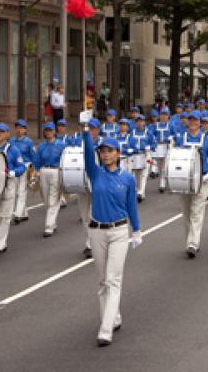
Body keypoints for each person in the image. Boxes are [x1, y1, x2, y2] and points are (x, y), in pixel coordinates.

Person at [80, 117, 141, 348]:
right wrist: (86, 131)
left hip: (119, 232)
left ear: (118, 153)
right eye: (102, 151)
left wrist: (136, 230)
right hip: (96, 232)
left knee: (113, 280)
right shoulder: (95, 174)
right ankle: (113, 316)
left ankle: (105, 329)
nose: (105, 155)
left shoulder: (127, 178)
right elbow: (87, 153)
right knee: (102, 281)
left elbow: (131, 206)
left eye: (109, 151)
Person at [173, 111, 208, 258]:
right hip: (185, 180)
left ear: (200, 122)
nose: (192, 123)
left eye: (195, 120)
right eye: (190, 120)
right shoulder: (180, 138)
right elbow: (175, 157)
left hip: (202, 180)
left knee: (196, 212)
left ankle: (193, 243)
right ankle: (189, 241)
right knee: (186, 212)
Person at [0, 123, 26, 258]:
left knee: (4, 216)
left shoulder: (13, 150)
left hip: (7, 184)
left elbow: (22, 167)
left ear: (7, 134)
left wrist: (13, 172)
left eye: (2, 132)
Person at [33, 122, 67, 237]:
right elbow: (37, 160)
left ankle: (48, 227)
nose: (48, 132)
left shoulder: (61, 145)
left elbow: (65, 160)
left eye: (50, 130)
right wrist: (35, 172)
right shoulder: (41, 146)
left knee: (53, 198)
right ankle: (53, 223)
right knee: (46, 198)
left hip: (57, 171)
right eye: (46, 130)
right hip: (44, 171)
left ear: (54, 132)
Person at [76, 118, 103, 258]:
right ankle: (89, 242)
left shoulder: (103, 144)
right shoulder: (78, 142)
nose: (91, 131)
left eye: (93, 128)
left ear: (98, 130)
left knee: (95, 214)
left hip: (97, 184)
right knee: (85, 215)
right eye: (88, 128)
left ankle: (93, 243)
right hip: (82, 183)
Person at [10, 119, 35, 225]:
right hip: (15, 167)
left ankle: (18, 214)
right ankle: (24, 213)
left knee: (21, 191)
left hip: (25, 166)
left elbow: (33, 156)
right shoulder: (11, 141)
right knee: (16, 191)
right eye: (18, 127)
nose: (19, 130)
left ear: (25, 130)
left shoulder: (29, 142)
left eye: (22, 128)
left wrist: (33, 170)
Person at [129, 114, 156, 201]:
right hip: (134, 155)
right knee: (133, 175)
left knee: (143, 175)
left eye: (142, 121)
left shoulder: (148, 133)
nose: (140, 123)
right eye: (138, 121)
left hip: (145, 155)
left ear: (144, 122)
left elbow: (154, 143)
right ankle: (137, 191)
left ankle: (141, 192)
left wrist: (150, 147)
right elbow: (127, 143)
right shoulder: (131, 133)